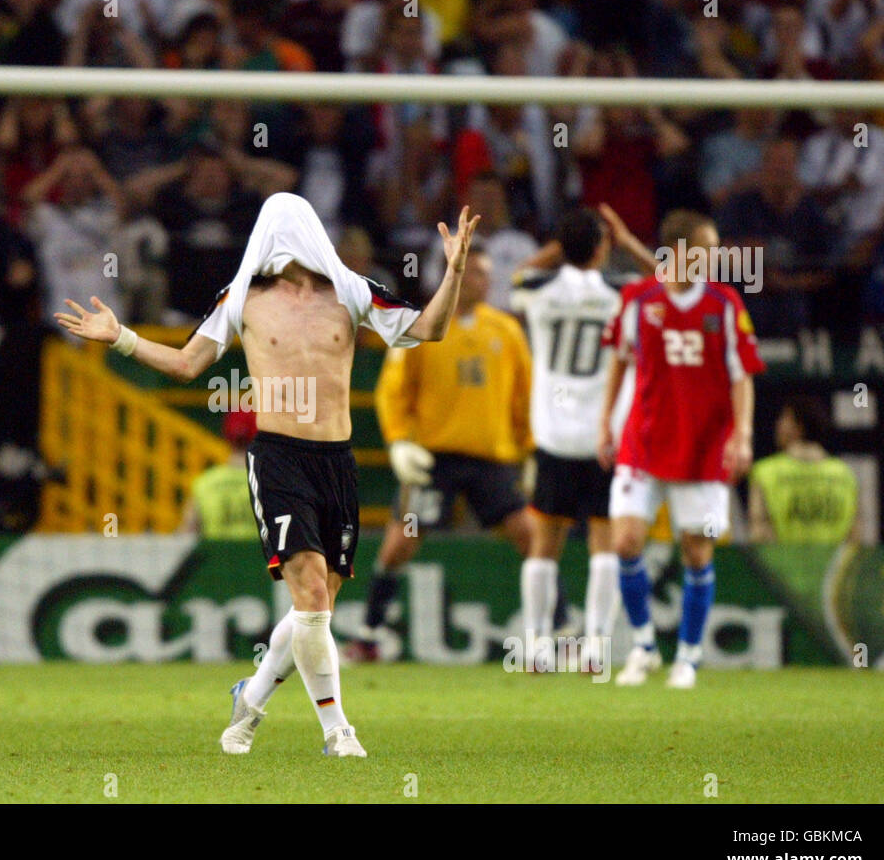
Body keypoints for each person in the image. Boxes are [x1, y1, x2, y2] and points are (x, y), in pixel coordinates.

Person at [56, 192, 479, 757]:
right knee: (309, 595)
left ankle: (249, 701)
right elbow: (187, 363)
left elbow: (429, 329)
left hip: (338, 461)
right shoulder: (243, 299)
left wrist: (452, 274)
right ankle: (337, 732)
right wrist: (123, 338)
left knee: (317, 610)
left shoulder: (350, 291)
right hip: (278, 458)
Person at [598, 210, 765, 689]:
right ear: (682, 253)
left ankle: (688, 657)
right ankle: (645, 648)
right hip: (643, 443)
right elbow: (618, 363)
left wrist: (743, 434)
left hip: (703, 448)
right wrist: (605, 424)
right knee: (625, 541)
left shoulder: (725, 304)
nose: (715, 258)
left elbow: (742, 375)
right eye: (707, 249)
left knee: (696, 551)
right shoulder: (637, 299)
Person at [344, 241, 534, 663]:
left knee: (528, 535)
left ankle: (558, 629)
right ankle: (368, 633)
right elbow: (393, 392)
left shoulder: (506, 330)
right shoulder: (422, 326)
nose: (484, 281)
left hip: (492, 457)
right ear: (455, 277)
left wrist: (529, 449)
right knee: (402, 539)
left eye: (486, 273)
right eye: (476, 273)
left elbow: (525, 396)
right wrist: (398, 443)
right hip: (434, 458)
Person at [511, 207, 641, 667]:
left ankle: (536, 647)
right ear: (604, 248)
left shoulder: (539, 290)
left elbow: (516, 277)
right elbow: (668, 282)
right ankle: (597, 648)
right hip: (603, 438)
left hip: (553, 436)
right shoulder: (621, 292)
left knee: (544, 546)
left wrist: (558, 250)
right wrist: (625, 241)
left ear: (561, 248)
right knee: (602, 545)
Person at [749, 397, 859, 545]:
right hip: (833, 567)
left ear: (799, 427)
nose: (778, 424)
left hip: (781, 566)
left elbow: (759, 533)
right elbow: (855, 537)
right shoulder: (845, 474)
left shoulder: (765, 472)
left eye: (784, 418)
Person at [180, 409, 258, 541]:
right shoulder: (270, 482)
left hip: (216, 560)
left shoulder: (205, 483)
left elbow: (186, 534)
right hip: (260, 560)